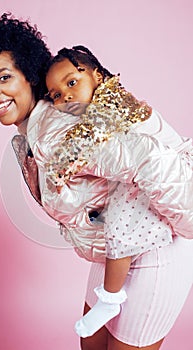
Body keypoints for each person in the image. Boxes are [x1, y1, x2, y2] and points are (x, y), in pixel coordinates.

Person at [0, 14, 193, 350]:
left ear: (30, 75)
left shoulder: (57, 131)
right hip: (116, 249)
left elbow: (148, 157)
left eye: (4, 77)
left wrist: (189, 221)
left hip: (157, 246)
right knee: (91, 344)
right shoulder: (29, 137)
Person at [43, 46, 193, 338]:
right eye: (56, 95)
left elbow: (83, 142)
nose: (66, 97)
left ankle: (110, 298)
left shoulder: (112, 102)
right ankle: (110, 296)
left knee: (123, 212)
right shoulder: (92, 108)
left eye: (72, 83)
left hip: (177, 176)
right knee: (120, 198)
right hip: (148, 181)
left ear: (98, 76)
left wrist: (58, 170)